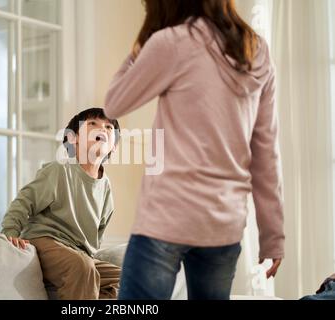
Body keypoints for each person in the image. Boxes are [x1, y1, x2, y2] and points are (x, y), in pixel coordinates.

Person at [104, 0, 285, 300]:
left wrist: (146, 37)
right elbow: (266, 152)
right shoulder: (257, 50)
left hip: (166, 219)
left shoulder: (171, 41)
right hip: (222, 224)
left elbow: (114, 103)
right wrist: (272, 237)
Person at [1, 108, 121, 300]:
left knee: (121, 277)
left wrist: (86, 253)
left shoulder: (106, 187)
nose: (102, 129)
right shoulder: (59, 171)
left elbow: (98, 232)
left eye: (108, 127)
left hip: (79, 253)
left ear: (114, 146)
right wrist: (10, 232)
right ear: (73, 139)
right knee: (82, 266)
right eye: (93, 124)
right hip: (45, 241)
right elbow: (24, 202)